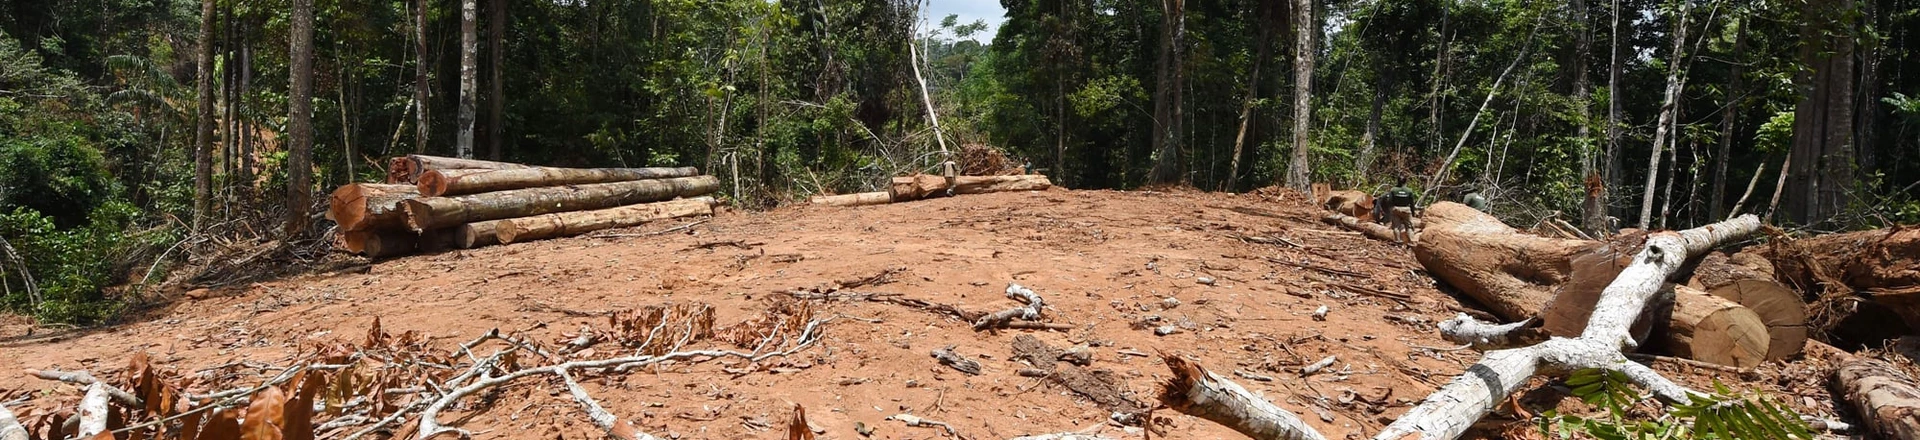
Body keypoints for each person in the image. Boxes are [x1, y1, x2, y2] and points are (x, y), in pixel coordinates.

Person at [1385, 178, 1417, 244]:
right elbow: (1412, 203)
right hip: (1406, 210)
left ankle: (1398, 241)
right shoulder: (1409, 191)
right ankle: (1412, 242)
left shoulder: (1393, 190)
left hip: (1396, 209)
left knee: (1396, 227)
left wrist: (1391, 208)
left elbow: (1389, 200)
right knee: (1409, 227)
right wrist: (1413, 212)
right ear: (1405, 181)